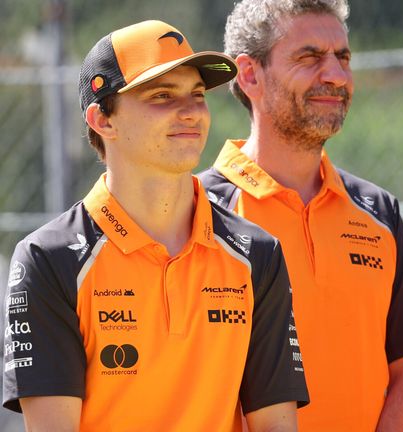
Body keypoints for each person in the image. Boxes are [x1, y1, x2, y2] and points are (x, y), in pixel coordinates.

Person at [2, 20, 308, 431]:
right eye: (162, 95)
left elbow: (275, 425)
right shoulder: (48, 258)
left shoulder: (257, 253)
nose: (191, 112)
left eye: (197, 95)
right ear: (102, 120)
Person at [199, 0, 403, 430]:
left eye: (342, 57)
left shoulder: (378, 212)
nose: (336, 75)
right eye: (309, 58)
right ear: (250, 74)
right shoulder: (194, 212)